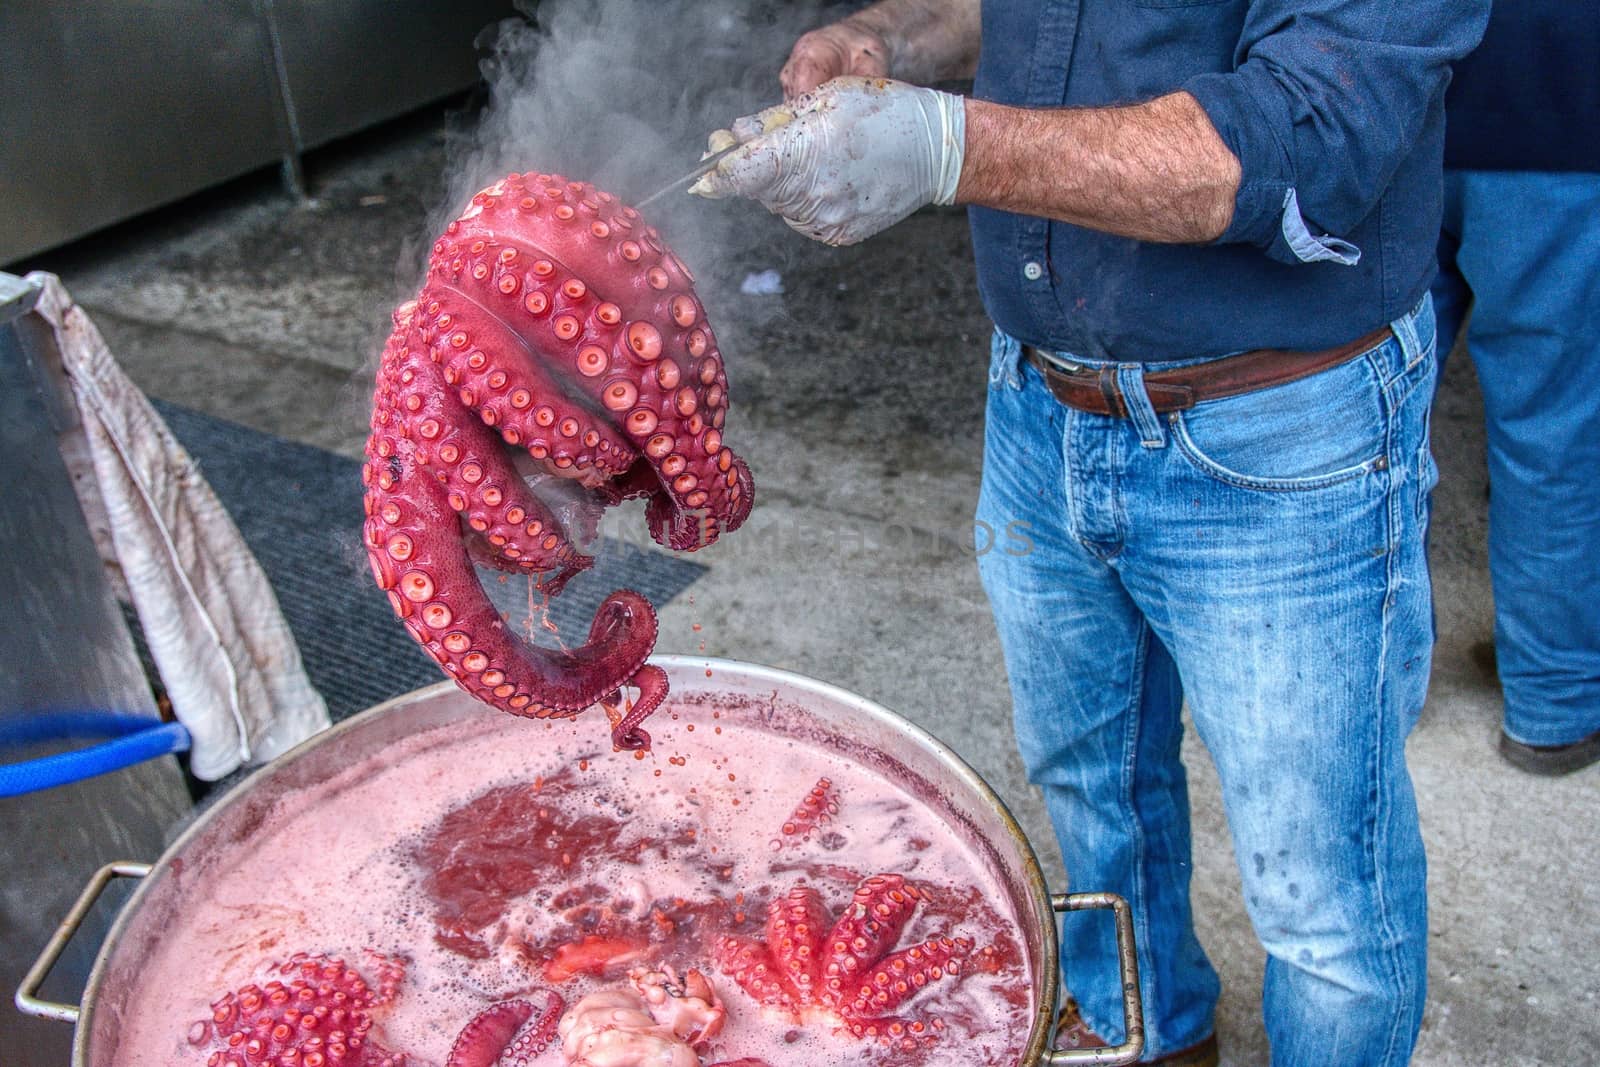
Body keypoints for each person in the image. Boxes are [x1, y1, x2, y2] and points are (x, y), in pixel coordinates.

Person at [694, 1, 1489, 1064]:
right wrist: (898, 38)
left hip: (1278, 434)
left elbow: (1309, 140)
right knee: (1089, 779)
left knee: (1321, 896)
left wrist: (945, 144)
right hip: (1037, 400)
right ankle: (1147, 1035)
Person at [1430, 4, 1600, 776]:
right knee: (1552, 431)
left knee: (1371, 422)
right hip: (1564, 108)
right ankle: (1552, 703)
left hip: (1393, 105)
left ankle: (1380, 688)